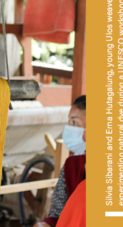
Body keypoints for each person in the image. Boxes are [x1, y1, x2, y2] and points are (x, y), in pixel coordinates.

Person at [34, 95, 86, 227]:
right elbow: (57, 214)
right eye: (69, 122)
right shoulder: (71, 166)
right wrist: (45, 225)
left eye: (74, 123)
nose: (69, 128)